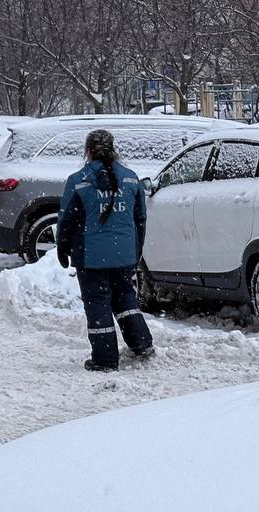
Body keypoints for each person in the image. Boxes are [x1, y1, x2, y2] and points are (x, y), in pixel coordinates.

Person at [56, 129, 155, 371]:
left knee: (97, 302)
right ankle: (142, 344)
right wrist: (136, 250)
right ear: (113, 148)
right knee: (126, 297)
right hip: (124, 254)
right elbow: (140, 219)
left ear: (88, 150)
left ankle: (105, 359)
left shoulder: (78, 180)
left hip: (91, 256)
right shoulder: (131, 178)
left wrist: (63, 247)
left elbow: (66, 219)